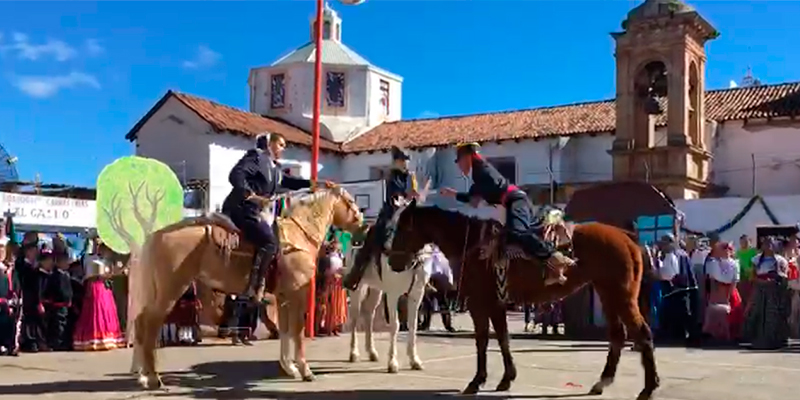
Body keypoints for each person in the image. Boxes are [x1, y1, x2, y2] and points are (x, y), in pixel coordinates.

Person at [439, 143, 575, 286]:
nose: (459, 166)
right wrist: (455, 194)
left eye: (458, 161)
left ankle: (554, 256)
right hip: (514, 201)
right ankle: (551, 269)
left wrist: (473, 195)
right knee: (512, 238)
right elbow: (476, 195)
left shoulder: (482, 171)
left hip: (516, 201)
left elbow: (481, 192)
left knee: (517, 233)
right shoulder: (479, 173)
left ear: (466, 158)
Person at [221, 133, 318, 301]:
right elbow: (235, 175)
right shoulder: (256, 158)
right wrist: (250, 195)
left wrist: (313, 183)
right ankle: (255, 285)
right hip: (242, 209)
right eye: (280, 144)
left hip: (256, 213)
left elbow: (289, 181)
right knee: (269, 242)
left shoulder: (274, 168)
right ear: (269, 144)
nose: (283, 148)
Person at [343, 146, 418, 290]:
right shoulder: (392, 176)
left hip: (406, 214)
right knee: (373, 237)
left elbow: (411, 195)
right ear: (396, 162)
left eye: (407, 161)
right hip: (390, 214)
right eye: (403, 161)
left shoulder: (408, 177)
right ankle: (356, 273)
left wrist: (415, 197)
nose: (406, 164)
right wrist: (407, 198)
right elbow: (394, 198)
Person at [655, 234, 700, 346]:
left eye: (664, 243)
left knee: (684, 313)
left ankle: (691, 337)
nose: (662, 246)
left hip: (679, 288)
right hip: (685, 287)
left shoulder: (672, 255)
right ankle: (680, 335)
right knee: (681, 312)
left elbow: (670, 274)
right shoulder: (682, 253)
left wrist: (658, 273)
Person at [43, 250, 73, 351]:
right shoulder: (55, 276)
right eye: (65, 261)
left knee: (64, 323)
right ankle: (57, 343)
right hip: (58, 304)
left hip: (66, 304)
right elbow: (57, 290)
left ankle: (63, 341)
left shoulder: (66, 275)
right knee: (58, 324)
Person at [0, 237, 21, 356]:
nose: (1, 253)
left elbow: (14, 284)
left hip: (8, 302)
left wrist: (16, 297)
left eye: (3, 250)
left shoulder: (9, 269)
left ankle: (9, 344)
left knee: (11, 321)